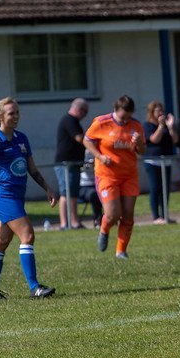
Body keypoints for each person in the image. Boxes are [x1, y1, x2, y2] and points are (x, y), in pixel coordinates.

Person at [0, 97, 57, 300]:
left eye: (17, 112)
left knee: (1, 242)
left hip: (17, 196)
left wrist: (47, 188)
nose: (16, 116)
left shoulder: (21, 138)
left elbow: (32, 169)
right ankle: (34, 287)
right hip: (3, 197)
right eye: (11, 113)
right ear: (0, 117)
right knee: (28, 235)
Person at [84, 95, 145, 260]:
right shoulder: (102, 122)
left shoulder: (136, 125)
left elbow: (142, 151)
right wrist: (100, 156)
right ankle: (104, 229)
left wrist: (139, 143)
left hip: (129, 175)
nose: (125, 121)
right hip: (107, 175)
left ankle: (121, 251)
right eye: (122, 117)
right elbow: (87, 140)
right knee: (112, 213)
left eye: (128, 117)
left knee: (128, 214)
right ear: (115, 110)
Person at [54, 98, 89, 230]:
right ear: (79, 110)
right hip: (65, 163)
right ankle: (65, 223)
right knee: (65, 192)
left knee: (73, 193)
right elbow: (79, 138)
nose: (85, 115)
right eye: (85, 112)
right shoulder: (69, 120)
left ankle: (74, 221)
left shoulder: (73, 121)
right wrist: (93, 143)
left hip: (73, 163)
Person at [143, 100, 178, 225]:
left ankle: (165, 215)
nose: (161, 113)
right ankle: (156, 216)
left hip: (166, 161)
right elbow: (154, 139)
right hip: (153, 162)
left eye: (162, 110)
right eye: (158, 111)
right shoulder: (147, 126)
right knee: (155, 188)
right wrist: (161, 126)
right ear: (152, 112)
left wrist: (170, 127)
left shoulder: (167, 126)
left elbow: (175, 140)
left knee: (165, 189)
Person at [79, 150, 103, 229]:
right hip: (84, 186)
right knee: (94, 194)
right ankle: (98, 219)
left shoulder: (100, 151)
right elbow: (80, 168)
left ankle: (111, 219)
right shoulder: (82, 151)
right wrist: (90, 164)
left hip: (99, 184)